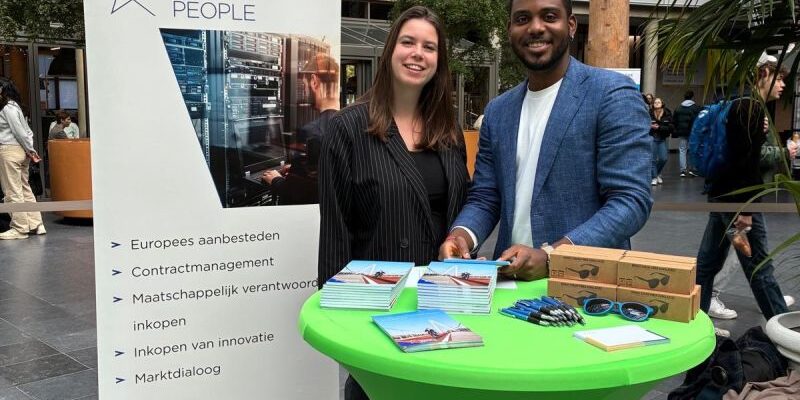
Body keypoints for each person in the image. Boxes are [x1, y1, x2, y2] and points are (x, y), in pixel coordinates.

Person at [438, 0, 652, 280]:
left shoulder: (611, 95)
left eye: (549, 16)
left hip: (584, 287)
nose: (536, 27)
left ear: (571, 25)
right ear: (510, 30)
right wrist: (461, 237)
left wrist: (554, 255)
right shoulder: (498, 111)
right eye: (523, 18)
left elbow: (630, 200)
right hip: (509, 285)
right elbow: (486, 196)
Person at [317, 6, 469, 399]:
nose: (418, 53)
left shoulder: (448, 130)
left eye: (429, 47)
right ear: (389, 51)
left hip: (442, 310)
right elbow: (335, 236)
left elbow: (460, 209)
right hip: (379, 312)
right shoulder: (347, 129)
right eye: (408, 42)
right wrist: (343, 331)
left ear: (439, 61)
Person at [695, 57, 792, 328]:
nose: (783, 84)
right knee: (759, 268)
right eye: (779, 78)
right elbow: (744, 162)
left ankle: (696, 323)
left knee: (707, 264)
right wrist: (746, 210)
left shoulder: (741, 105)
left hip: (722, 196)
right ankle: (786, 331)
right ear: (763, 74)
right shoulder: (750, 108)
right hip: (739, 201)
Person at [262, 53, 340, 205]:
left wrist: (276, 180)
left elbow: (302, 193)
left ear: (314, 81)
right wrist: (296, 169)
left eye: (304, 86)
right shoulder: (350, 122)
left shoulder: (311, 132)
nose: (304, 92)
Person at [0, 78, 45, 239]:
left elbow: (19, 132)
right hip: (21, 152)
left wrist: (31, 150)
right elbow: (27, 132)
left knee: (12, 190)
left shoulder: (7, 109)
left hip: (9, 150)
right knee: (25, 189)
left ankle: (20, 228)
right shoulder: (16, 107)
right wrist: (29, 150)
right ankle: (36, 224)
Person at [672, 90, 701, 177]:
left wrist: (676, 131)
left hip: (682, 132)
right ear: (692, 97)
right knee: (693, 150)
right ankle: (692, 169)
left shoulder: (678, 108)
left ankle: (683, 171)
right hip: (693, 132)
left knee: (682, 150)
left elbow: (675, 121)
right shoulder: (696, 108)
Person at [649, 97, 673, 186]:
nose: (657, 103)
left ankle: (658, 173)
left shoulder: (667, 112)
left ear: (662, 103)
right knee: (653, 160)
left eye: (659, 102)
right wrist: (650, 126)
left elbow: (671, 127)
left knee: (663, 158)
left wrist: (659, 127)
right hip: (652, 137)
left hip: (662, 138)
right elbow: (644, 123)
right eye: (655, 102)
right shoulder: (649, 113)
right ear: (653, 104)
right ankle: (654, 177)